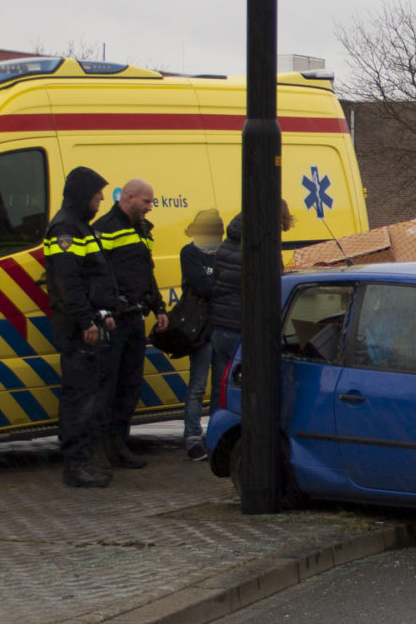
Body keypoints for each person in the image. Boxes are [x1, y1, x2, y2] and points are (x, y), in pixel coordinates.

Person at [44, 166, 127, 488]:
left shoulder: (79, 225)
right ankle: (76, 466)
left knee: (90, 398)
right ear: (82, 195)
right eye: (96, 196)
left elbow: (93, 278)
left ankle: (88, 461)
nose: (102, 200)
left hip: (87, 321)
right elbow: (69, 283)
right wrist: (85, 321)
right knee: (79, 400)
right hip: (75, 326)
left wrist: (103, 312)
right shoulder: (65, 228)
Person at [92, 179, 169, 470]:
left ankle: (119, 444)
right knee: (107, 387)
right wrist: (104, 309)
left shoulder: (142, 230)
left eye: (151, 203)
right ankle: (102, 449)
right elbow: (99, 274)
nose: (149, 208)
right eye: (146, 202)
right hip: (114, 320)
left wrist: (158, 306)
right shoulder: (106, 227)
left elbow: (146, 272)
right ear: (128, 197)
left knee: (130, 385)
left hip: (135, 317)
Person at [209, 199, 295, 396]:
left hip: (221, 328)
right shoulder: (263, 247)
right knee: (249, 393)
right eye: (280, 226)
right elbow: (273, 286)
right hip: (244, 328)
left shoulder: (227, 242)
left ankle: (219, 425)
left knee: (221, 389)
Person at [179, 208, 223, 461]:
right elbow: (202, 286)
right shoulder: (190, 252)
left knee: (219, 386)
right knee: (197, 385)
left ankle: (215, 435)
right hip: (200, 327)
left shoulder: (223, 253)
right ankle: (193, 436)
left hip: (221, 325)